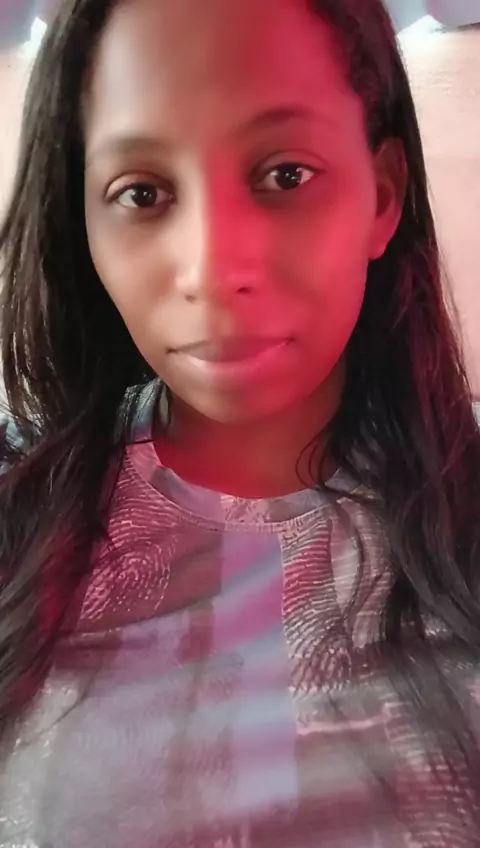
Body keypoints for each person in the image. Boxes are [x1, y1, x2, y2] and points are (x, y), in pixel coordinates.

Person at [0, 0, 479, 844]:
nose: (213, 267)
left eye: (286, 174)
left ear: (383, 195)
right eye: (142, 193)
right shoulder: (19, 530)